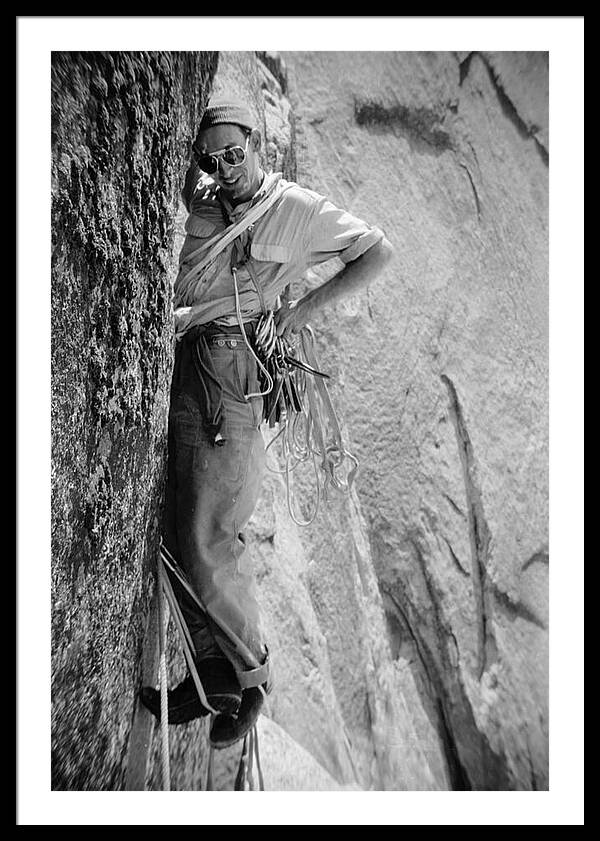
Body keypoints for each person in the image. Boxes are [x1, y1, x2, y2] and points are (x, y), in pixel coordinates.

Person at [140, 96, 393, 749]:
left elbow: (375, 251)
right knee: (173, 518)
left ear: (258, 144)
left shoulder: (294, 208)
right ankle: (212, 675)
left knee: (213, 531)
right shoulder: (203, 201)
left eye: (235, 152)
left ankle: (251, 679)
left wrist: (301, 311)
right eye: (213, 158)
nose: (226, 167)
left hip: (232, 373)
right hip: (191, 359)